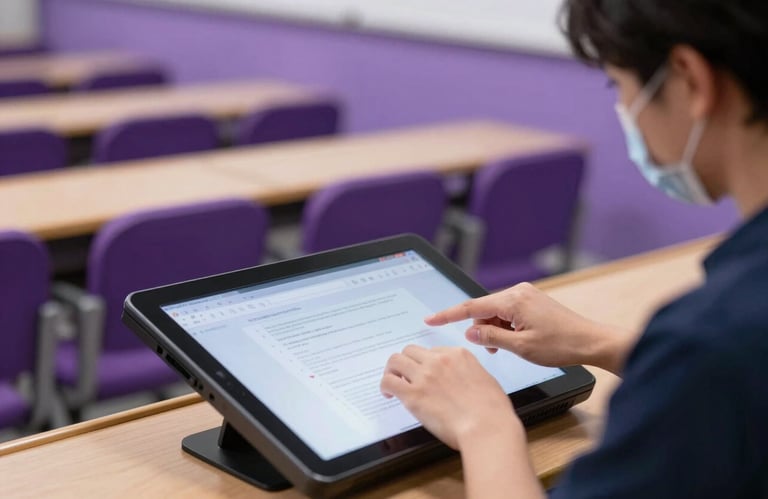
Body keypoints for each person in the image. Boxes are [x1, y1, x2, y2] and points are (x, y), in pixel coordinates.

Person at [380, 1, 768, 497]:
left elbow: (721, 365)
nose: (626, 109)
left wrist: (483, 426)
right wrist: (598, 343)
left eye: (619, 84)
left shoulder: (713, 338)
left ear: (690, 79)